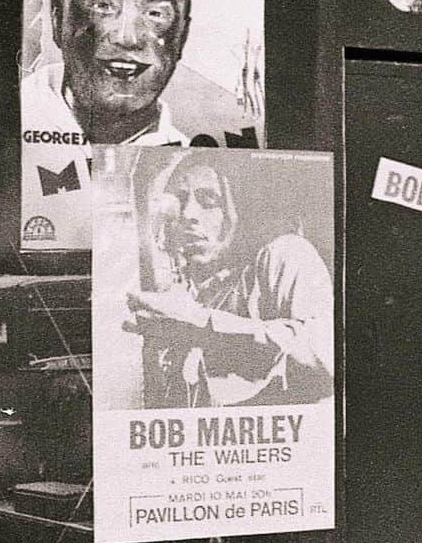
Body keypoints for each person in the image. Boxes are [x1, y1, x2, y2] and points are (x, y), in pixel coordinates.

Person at [124, 150, 334, 408]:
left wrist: (200, 323)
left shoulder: (284, 253)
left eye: (209, 200)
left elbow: (324, 356)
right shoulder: (190, 284)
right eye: (180, 201)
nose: (189, 214)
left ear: (241, 206)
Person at [22, 0, 192, 146]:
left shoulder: (198, 163)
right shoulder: (7, 120)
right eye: (101, 5)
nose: (127, 38)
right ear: (57, 17)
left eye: (155, 13)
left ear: (182, 35)